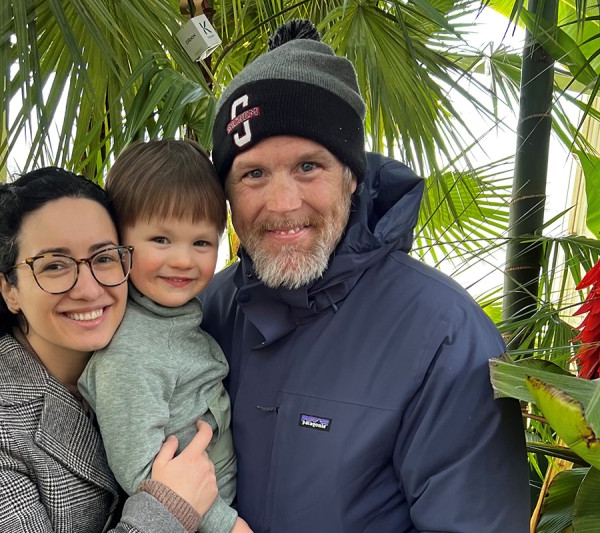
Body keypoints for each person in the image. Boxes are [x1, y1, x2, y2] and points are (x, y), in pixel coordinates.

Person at [199, 19, 530, 532]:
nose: (282, 204)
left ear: (352, 176)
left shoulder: (444, 336)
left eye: (308, 167)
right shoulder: (204, 311)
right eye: (254, 173)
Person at [0, 167, 219, 532]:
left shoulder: (151, 361)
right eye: (55, 265)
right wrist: (169, 510)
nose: (89, 289)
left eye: (104, 258)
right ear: (9, 289)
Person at [79, 140, 251, 533]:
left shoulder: (179, 318)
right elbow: (141, 472)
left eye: (201, 242)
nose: (183, 260)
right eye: (161, 240)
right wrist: (228, 525)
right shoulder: (129, 353)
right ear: (118, 242)